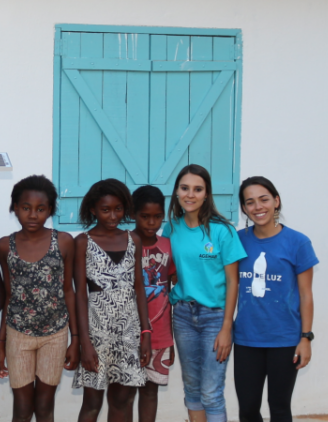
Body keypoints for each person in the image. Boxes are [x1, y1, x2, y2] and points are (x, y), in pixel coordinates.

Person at [161, 165, 246, 422]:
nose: (190, 194)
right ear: (176, 191)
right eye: (185, 188)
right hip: (184, 315)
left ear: (207, 194)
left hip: (215, 318)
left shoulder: (223, 230)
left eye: (197, 189)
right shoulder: (171, 229)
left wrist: (226, 328)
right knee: (193, 388)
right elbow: (171, 272)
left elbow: (234, 282)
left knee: (211, 391)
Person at [0, 175, 78, 422]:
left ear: (50, 210)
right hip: (18, 334)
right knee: (21, 408)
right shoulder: (4, 246)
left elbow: (68, 291)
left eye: (40, 209)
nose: (33, 215)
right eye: (26, 208)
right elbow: (8, 297)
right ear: (15, 209)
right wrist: (0, 345)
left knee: (44, 407)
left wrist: (76, 339)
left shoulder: (63, 242)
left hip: (55, 334)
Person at [232, 177, 318, 422]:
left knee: (279, 408)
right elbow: (229, 283)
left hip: (285, 339)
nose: (258, 207)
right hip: (247, 338)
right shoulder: (237, 240)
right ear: (244, 209)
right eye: (250, 202)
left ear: (276, 201)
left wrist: (306, 338)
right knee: (247, 409)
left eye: (264, 199)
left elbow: (306, 294)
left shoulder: (298, 242)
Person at [74, 179, 150, 422]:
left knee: (122, 400)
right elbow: (80, 295)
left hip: (128, 331)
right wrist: (84, 342)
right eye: (105, 209)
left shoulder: (132, 240)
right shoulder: (83, 242)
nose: (113, 215)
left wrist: (145, 332)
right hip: (97, 332)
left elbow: (139, 287)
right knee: (92, 403)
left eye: (118, 208)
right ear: (93, 210)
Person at [131, 185, 174, 422]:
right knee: (124, 393)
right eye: (145, 216)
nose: (151, 222)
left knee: (150, 391)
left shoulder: (168, 245)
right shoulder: (123, 243)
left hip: (160, 333)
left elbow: (170, 288)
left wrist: (171, 340)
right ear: (133, 214)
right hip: (127, 332)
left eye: (157, 216)